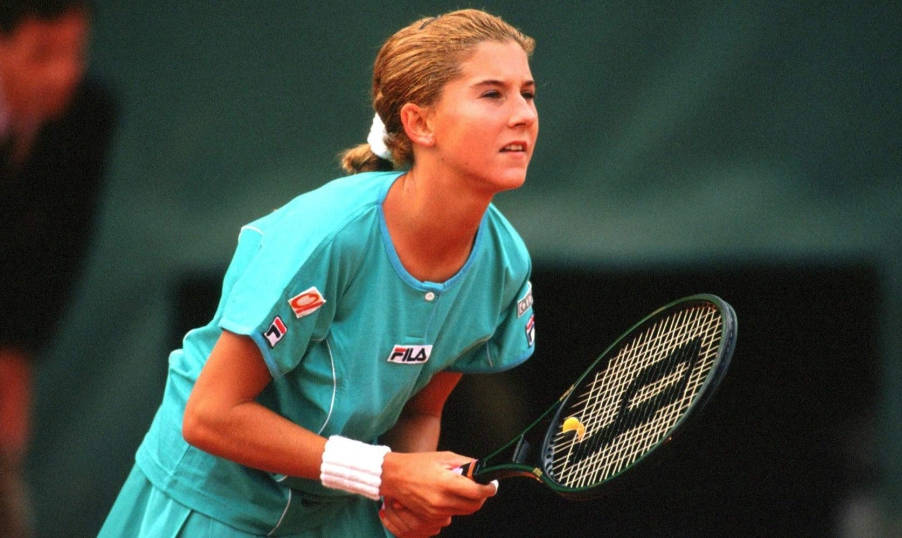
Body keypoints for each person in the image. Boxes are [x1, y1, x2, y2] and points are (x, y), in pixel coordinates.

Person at [99, 8, 538, 537]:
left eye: (527, 94)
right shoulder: (328, 235)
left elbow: (419, 412)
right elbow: (209, 416)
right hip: (209, 506)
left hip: (337, 516)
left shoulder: (503, 263)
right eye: (492, 94)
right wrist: (390, 473)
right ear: (419, 122)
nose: (522, 115)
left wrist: (410, 498)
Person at [0, 1, 115, 536]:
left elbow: (56, 259)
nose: (64, 72)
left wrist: (16, 358)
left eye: (75, 52)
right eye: (42, 54)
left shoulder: (88, 115)